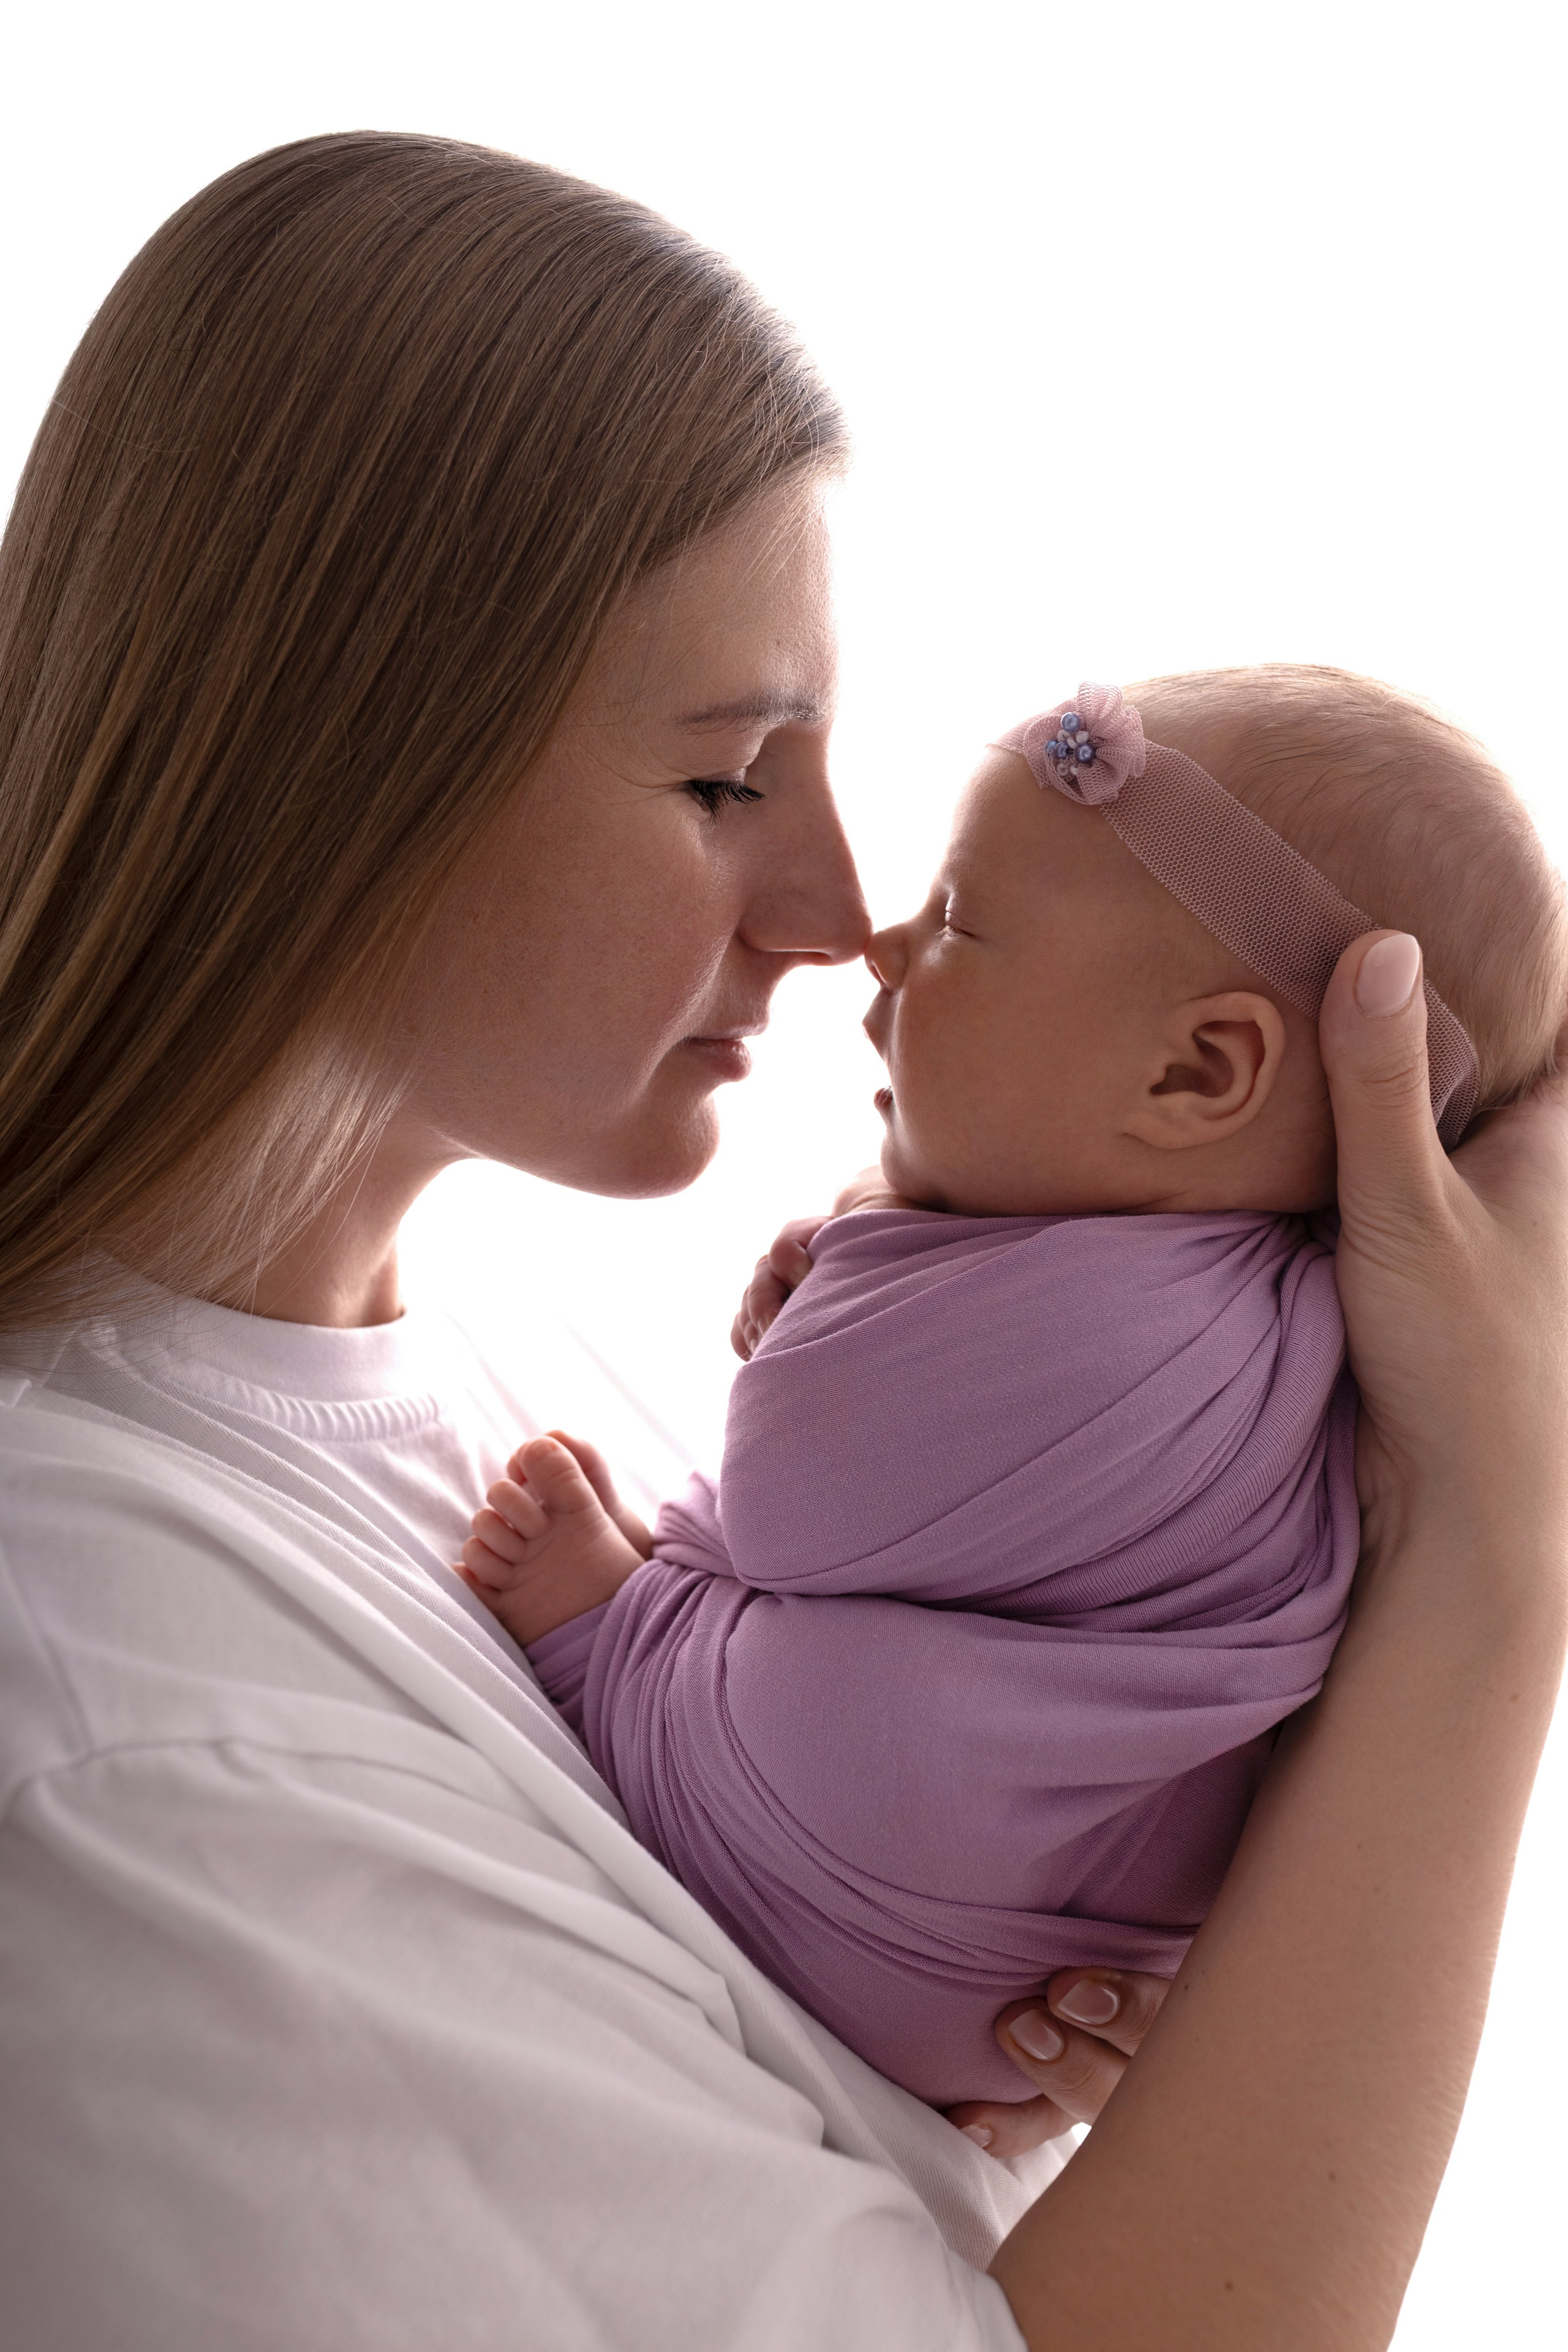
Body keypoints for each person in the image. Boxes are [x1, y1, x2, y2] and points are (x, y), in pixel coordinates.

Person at [0, 130, 1562, 2352]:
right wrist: (1494, 1572)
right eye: (732, 777)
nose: (846, 919)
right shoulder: (124, 1745)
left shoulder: (546, 1377)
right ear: (335, 766)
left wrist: (1011, 2055)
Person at [452, 667, 1566, 2106]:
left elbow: (793, 1500)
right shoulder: (1279, 1320)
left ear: (1197, 1071)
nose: (882, 945)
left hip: (852, 1875)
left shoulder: (1130, 1335)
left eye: (961, 923)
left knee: (817, 1665)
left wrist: (862, 1243)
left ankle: (612, 1642)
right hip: (1043, 1966)